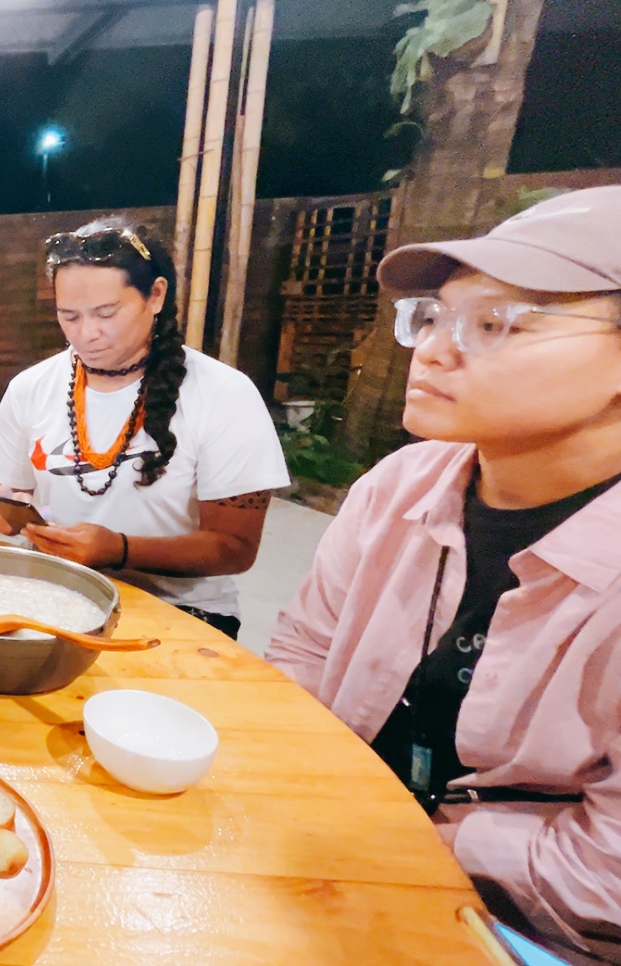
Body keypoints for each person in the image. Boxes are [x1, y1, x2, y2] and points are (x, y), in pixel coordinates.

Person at [266, 187, 621, 957]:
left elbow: (609, 877)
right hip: (327, 860)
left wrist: (391, 834)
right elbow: (302, 655)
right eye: (432, 317)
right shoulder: (400, 486)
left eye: (497, 324)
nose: (430, 349)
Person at [0, 219, 288, 637]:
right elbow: (8, 493)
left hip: (181, 611)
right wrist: (6, 512)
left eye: (106, 313)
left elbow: (236, 548)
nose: (87, 334)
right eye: (69, 316)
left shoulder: (224, 394)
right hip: (55, 594)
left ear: (155, 295)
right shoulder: (31, 388)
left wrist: (117, 549)